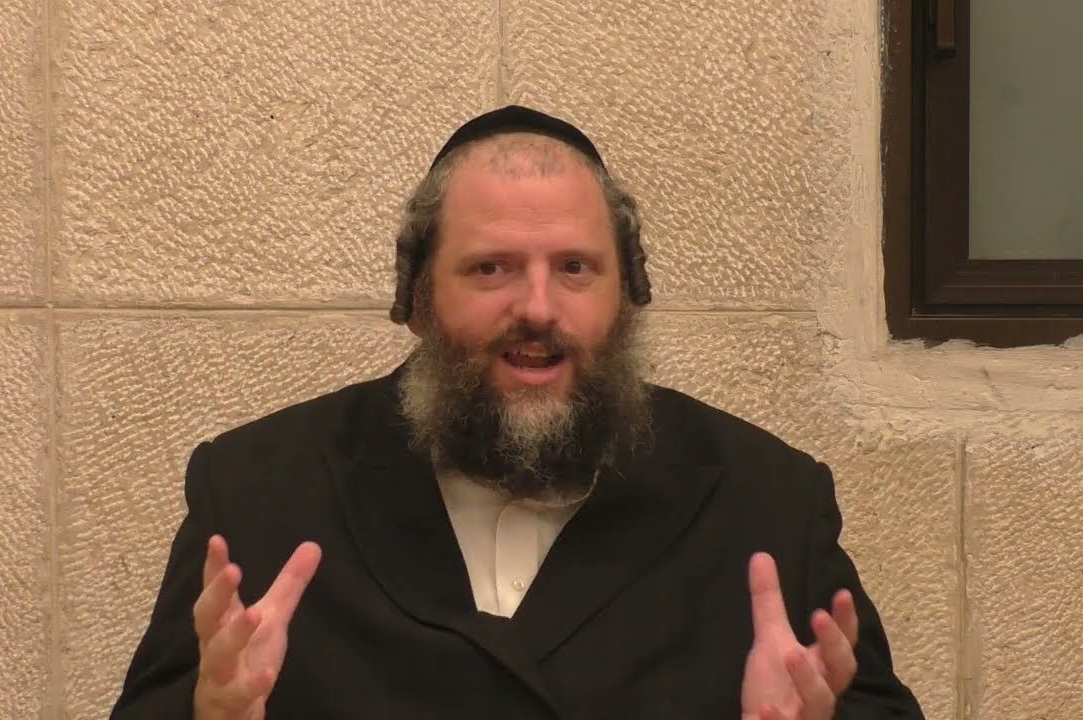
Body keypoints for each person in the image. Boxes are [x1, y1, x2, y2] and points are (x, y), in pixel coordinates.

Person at [109, 105, 925, 720]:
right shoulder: (255, 495)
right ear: (418, 298)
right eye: (491, 268)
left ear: (627, 296)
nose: (537, 307)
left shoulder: (768, 504)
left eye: (575, 268)